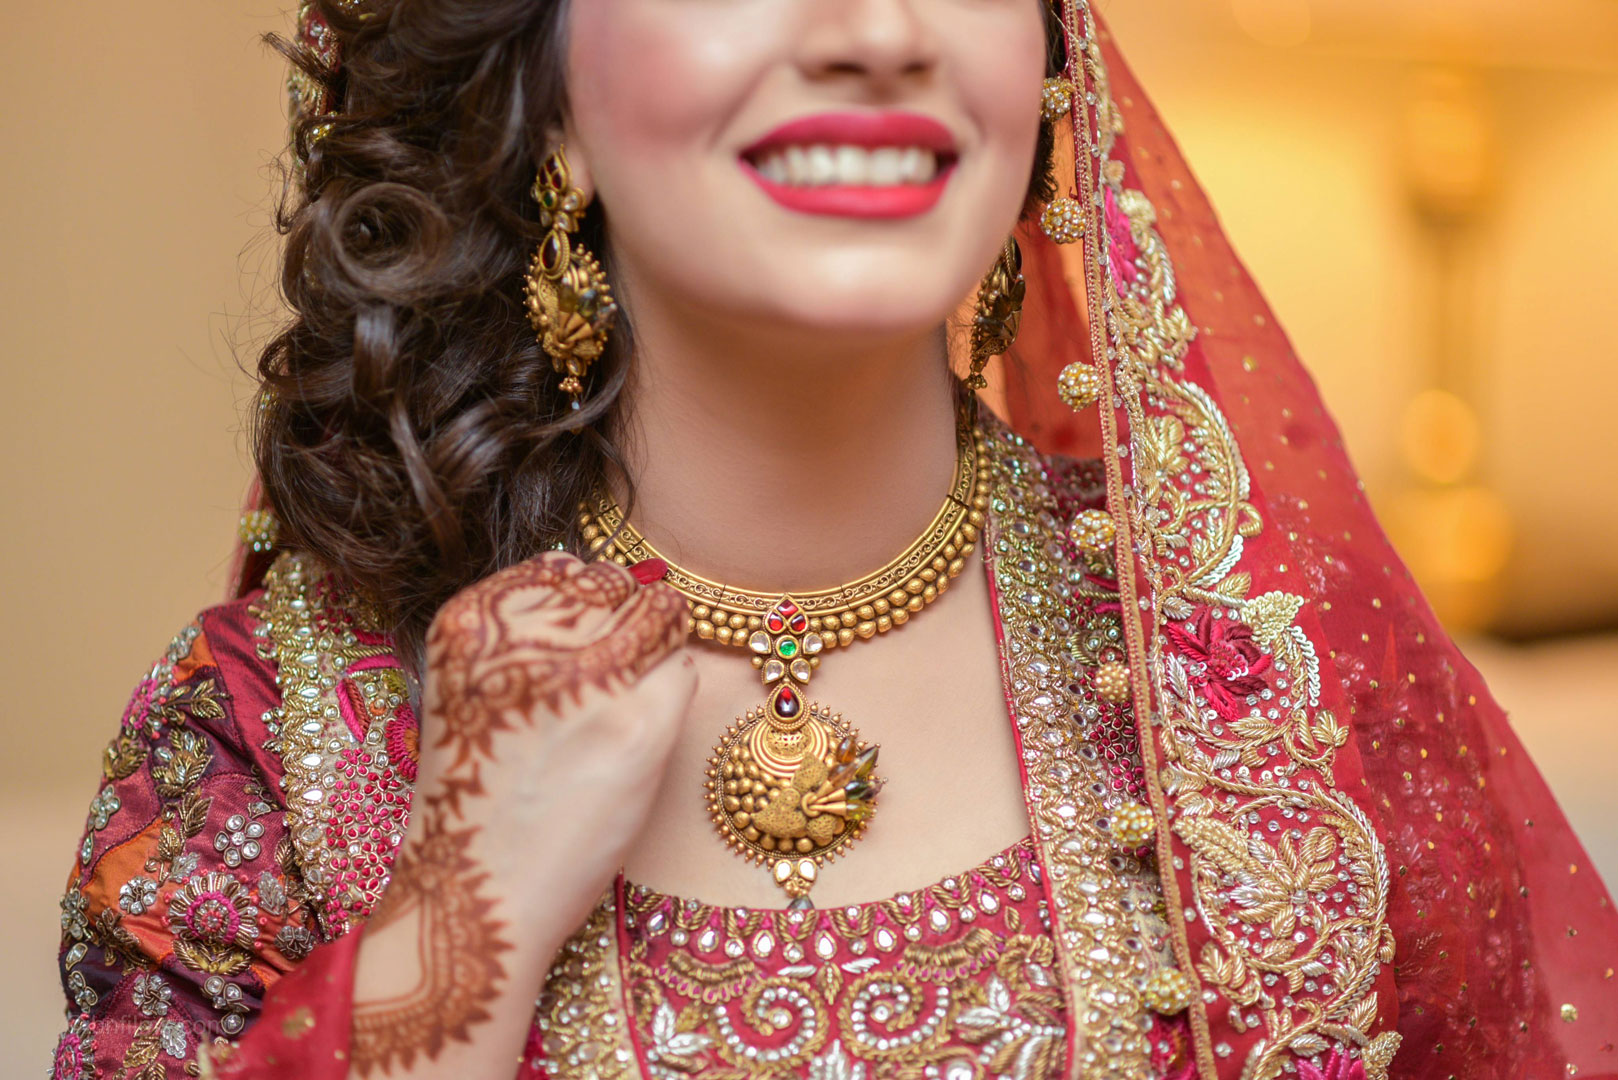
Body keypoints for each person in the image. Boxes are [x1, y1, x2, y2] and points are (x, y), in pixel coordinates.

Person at [51, 1, 1618, 1078]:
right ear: (543, 98)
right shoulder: (270, 733)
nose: (876, 34)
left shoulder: (1273, 676)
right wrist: (467, 910)